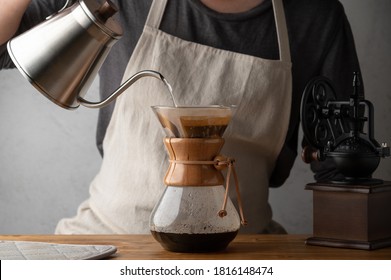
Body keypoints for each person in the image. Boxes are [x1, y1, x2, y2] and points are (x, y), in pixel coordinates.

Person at [0, 0, 362, 234]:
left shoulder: (315, 15)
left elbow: (343, 168)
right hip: (107, 245)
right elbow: (7, 50)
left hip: (244, 255)